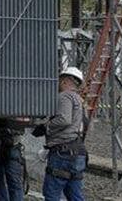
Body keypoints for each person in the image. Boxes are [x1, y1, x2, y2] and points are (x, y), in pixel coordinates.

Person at [33, 66, 87, 201]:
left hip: (62, 153)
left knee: (51, 194)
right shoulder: (79, 100)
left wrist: (45, 127)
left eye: (59, 80)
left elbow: (64, 119)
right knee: (74, 195)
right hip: (78, 152)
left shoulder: (64, 96)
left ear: (64, 81)